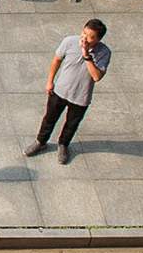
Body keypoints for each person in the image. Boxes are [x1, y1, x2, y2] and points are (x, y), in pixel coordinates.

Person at [27, 18, 109, 163]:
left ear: (98, 39)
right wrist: (50, 81)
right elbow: (57, 60)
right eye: (84, 33)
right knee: (49, 118)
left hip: (81, 97)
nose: (85, 38)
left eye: (90, 37)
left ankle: (63, 145)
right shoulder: (69, 41)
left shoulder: (104, 53)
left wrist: (86, 55)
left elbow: (96, 76)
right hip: (60, 90)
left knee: (71, 124)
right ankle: (40, 141)